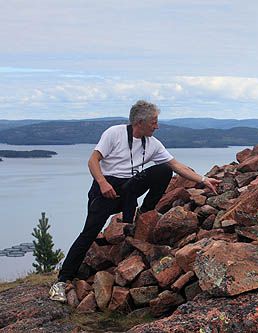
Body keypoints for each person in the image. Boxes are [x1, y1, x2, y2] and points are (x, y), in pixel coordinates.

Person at [49, 100, 220, 302]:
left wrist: (203, 179)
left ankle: (145, 213)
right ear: (140, 122)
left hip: (129, 189)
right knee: (89, 233)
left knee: (164, 169)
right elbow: (93, 160)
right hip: (105, 190)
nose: (157, 126)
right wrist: (102, 183)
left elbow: (175, 165)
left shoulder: (152, 143)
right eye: (154, 122)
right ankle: (61, 281)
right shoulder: (114, 133)